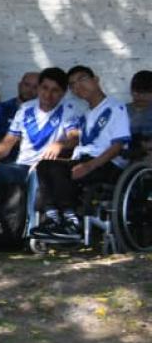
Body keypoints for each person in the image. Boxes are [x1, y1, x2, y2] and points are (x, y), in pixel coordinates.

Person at [0, 68, 76, 240]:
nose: (48, 95)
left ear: (63, 93)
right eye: (45, 88)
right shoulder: (25, 109)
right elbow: (8, 142)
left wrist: (60, 144)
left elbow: (75, 137)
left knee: (37, 174)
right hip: (21, 166)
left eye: (55, 90)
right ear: (39, 88)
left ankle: (31, 230)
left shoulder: (69, 110)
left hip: (44, 168)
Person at [30, 66, 132, 241]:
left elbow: (118, 145)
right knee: (45, 164)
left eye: (82, 79)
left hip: (107, 163)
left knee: (58, 170)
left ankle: (72, 221)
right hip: (84, 160)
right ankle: (54, 218)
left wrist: (90, 165)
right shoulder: (86, 114)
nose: (78, 86)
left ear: (96, 80)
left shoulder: (116, 107)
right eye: (73, 85)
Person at [0, 71, 39, 152]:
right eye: (27, 85)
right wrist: (15, 142)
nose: (30, 90)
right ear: (19, 85)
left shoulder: (45, 113)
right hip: (3, 161)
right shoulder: (0, 109)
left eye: (35, 87)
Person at [128, 70, 152, 160]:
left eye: (146, 92)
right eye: (137, 91)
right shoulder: (121, 111)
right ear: (131, 90)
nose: (141, 96)